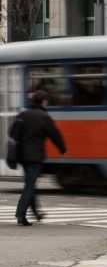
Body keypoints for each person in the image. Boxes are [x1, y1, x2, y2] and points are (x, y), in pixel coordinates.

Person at [15, 90, 67, 226]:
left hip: (22, 155)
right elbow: (55, 135)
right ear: (43, 101)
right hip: (35, 156)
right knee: (30, 185)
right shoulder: (44, 117)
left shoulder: (23, 114)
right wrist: (63, 149)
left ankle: (35, 213)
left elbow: (12, 132)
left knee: (30, 183)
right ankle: (20, 214)